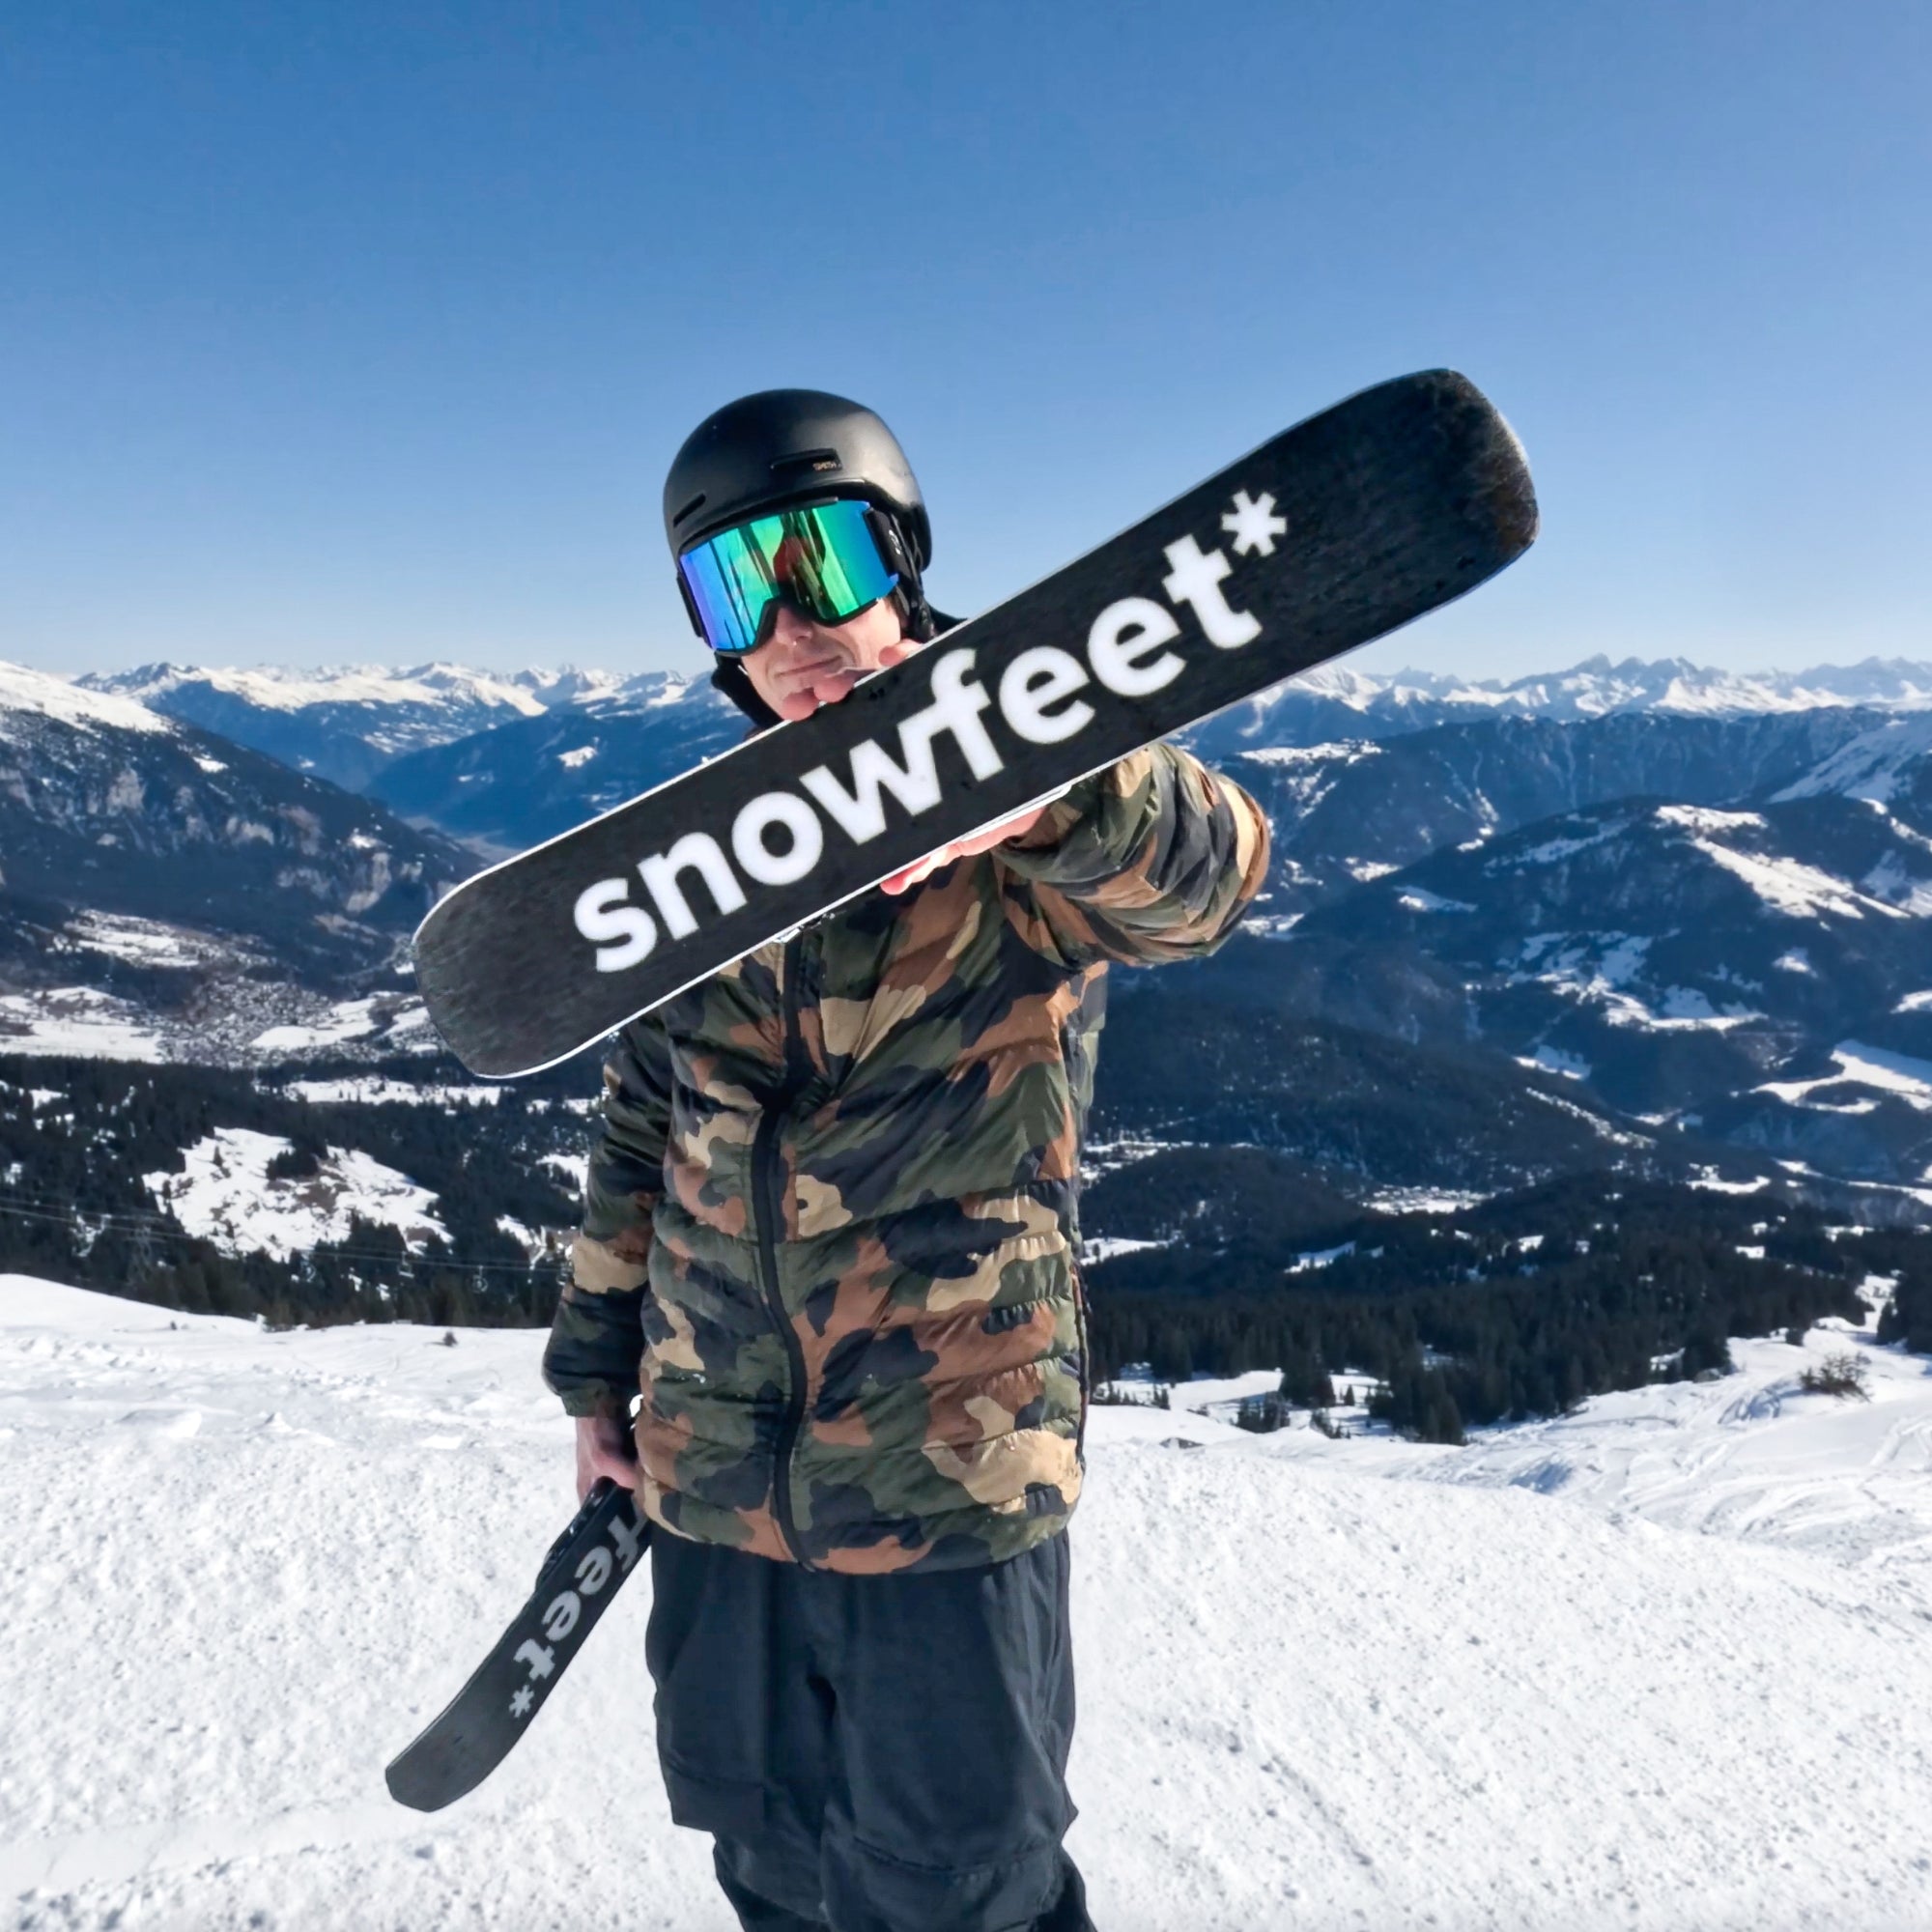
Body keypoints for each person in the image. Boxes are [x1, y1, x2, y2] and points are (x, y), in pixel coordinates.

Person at [543, 389, 1269, 1932]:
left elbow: (1211, 877)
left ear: (903, 560)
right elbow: (642, 1127)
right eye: (737, 589)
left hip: (944, 1479)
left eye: (825, 560)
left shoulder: (1031, 814)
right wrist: (598, 1383)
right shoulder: (704, 860)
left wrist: (1040, 776)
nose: (794, 627)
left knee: (969, 1887)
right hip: (715, 1478)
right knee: (767, 1858)